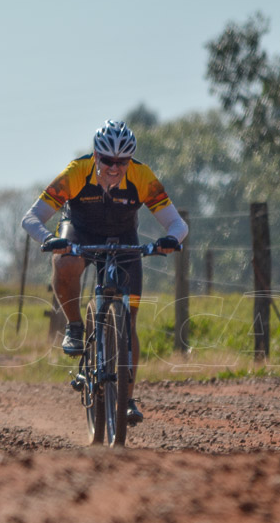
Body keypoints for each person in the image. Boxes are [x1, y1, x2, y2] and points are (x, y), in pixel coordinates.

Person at [20, 120, 188, 425]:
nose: (114, 167)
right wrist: (49, 239)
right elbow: (31, 217)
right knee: (66, 262)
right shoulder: (75, 172)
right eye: (107, 160)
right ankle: (74, 325)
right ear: (96, 155)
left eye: (122, 161)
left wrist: (170, 241)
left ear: (130, 160)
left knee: (129, 320)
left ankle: (127, 398)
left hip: (124, 239)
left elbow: (178, 224)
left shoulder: (142, 175)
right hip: (80, 232)